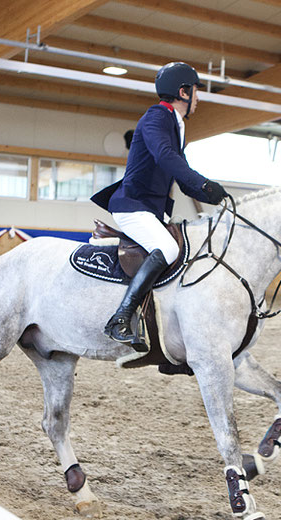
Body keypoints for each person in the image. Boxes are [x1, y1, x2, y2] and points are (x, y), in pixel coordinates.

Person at [91, 62, 227, 349]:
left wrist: (215, 197)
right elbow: (166, 157)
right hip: (132, 206)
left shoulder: (175, 125)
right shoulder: (157, 117)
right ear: (183, 92)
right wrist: (203, 183)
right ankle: (120, 318)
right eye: (196, 92)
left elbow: (181, 173)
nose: (198, 99)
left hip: (150, 209)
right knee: (167, 248)